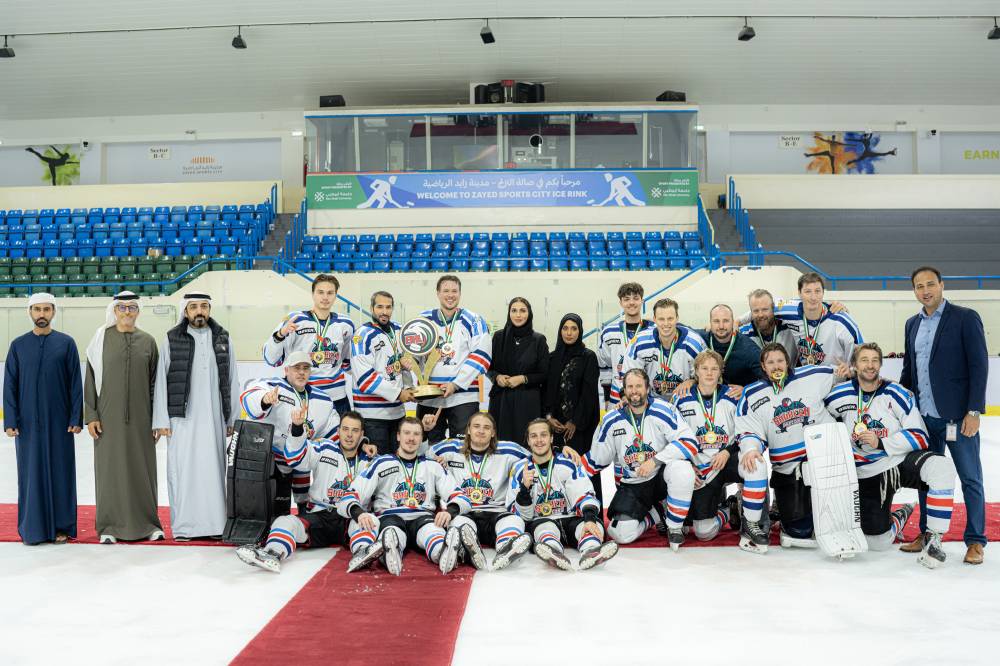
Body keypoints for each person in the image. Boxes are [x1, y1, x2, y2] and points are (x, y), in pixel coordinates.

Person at [825, 343, 956, 568]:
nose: (870, 365)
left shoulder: (897, 393)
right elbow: (823, 421)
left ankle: (934, 539)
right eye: (864, 360)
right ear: (854, 365)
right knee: (878, 543)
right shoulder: (838, 395)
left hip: (898, 461)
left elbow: (919, 435)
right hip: (867, 472)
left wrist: (882, 443)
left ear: (881, 364)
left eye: (875, 360)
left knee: (941, 468)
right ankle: (900, 517)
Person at [899, 266, 988, 565]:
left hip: (957, 418)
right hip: (925, 419)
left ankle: (975, 541)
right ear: (913, 291)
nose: (925, 290)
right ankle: (927, 533)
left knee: (970, 478)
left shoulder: (965, 318)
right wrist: (900, 406)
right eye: (919, 286)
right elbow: (909, 371)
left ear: (941, 285)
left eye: (930, 284)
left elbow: (979, 367)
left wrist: (974, 411)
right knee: (927, 479)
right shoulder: (912, 324)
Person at [236, 410, 375, 573]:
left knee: (368, 522)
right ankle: (272, 554)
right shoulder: (324, 448)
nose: (349, 435)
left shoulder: (370, 460)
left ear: (362, 434)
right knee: (285, 521)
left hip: (350, 517)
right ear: (338, 431)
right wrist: (297, 428)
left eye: (355, 430)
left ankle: (363, 552)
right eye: (345, 429)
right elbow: (296, 457)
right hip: (320, 516)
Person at [152, 293, 241, 540]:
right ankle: (185, 527)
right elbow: (161, 378)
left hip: (214, 418)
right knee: (183, 471)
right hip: (182, 420)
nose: (199, 311)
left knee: (213, 471)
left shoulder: (223, 337)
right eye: (193, 307)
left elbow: (232, 378)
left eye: (203, 306)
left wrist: (232, 418)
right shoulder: (171, 338)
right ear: (186, 310)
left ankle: (215, 526)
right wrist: (161, 419)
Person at [339, 417, 472, 576]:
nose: (411, 438)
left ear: (422, 438)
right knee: (391, 530)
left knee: (433, 530)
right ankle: (388, 551)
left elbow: (461, 496)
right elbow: (350, 494)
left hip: (423, 517)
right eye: (407, 433)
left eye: (416, 434)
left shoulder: (433, 465)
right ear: (398, 436)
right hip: (390, 516)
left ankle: (442, 553)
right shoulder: (381, 463)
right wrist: (359, 513)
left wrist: (449, 511)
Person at [583, 368, 698, 551]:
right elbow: (596, 459)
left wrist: (655, 461)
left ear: (647, 388)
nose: (634, 391)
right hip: (633, 484)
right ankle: (657, 513)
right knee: (619, 534)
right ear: (624, 390)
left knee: (682, 470)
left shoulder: (663, 409)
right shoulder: (612, 419)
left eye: (638, 386)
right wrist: (567, 467)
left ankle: (674, 527)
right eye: (630, 386)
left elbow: (689, 442)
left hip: (661, 478)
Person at [735, 342, 837, 547]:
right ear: (763, 366)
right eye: (770, 362)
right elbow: (749, 430)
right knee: (801, 532)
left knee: (835, 523)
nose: (776, 366)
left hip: (823, 463)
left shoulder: (812, 376)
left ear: (788, 362)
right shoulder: (752, 394)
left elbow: (846, 375)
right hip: (787, 471)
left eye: (780, 360)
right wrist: (751, 449)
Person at [4, 293, 83, 545]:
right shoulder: (18, 345)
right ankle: (33, 529)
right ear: (29, 312)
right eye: (37, 309)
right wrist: (10, 420)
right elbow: (10, 385)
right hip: (27, 423)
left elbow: (75, 384)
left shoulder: (66, 343)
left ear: (53, 312)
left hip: (60, 422)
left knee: (61, 472)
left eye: (46, 309)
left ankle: (61, 527)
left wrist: (75, 417)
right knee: (30, 474)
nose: (41, 314)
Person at [673, 350, 770, 554]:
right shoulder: (681, 399)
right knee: (703, 532)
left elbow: (745, 430)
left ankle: (753, 523)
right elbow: (673, 437)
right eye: (704, 368)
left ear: (720, 372)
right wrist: (687, 466)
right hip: (701, 466)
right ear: (696, 371)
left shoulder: (732, 396)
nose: (709, 373)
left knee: (757, 465)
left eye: (714, 369)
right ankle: (728, 508)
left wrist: (728, 451)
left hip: (728, 457)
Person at [84, 291, 162, 544]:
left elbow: (155, 386)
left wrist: (158, 419)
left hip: (143, 419)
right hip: (108, 418)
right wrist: (92, 415)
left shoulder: (148, 342)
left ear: (138, 311)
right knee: (109, 471)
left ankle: (149, 524)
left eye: (132, 308)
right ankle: (109, 526)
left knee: (144, 471)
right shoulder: (100, 339)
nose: (127, 313)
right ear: (114, 311)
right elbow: (90, 380)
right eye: (122, 308)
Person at [240, 351, 340, 516]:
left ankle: (303, 511)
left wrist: (359, 444)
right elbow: (249, 396)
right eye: (296, 368)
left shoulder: (323, 399)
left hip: (300, 456)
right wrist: (265, 399)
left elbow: (333, 429)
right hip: (272, 457)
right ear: (286, 370)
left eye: (306, 368)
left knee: (306, 464)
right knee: (275, 506)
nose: (301, 372)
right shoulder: (273, 386)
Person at [509, 419, 618, 571]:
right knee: (545, 529)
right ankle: (553, 552)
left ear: (551, 438)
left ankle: (591, 551)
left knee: (593, 524)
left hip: (570, 519)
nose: (539, 440)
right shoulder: (520, 468)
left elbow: (584, 494)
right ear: (528, 440)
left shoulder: (567, 462)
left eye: (543, 435)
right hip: (541, 521)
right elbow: (522, 516)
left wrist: (590, 519)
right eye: (533, 436)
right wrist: (524, 489)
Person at [431, 412, 533, 571]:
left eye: (487, 427)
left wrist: (561, 449)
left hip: (496, 512)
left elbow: (539, 455)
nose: (481, 431)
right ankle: (471, 550)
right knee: (458, 525)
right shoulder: (449, 448)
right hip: (464, 511)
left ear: (493, 433)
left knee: (515, 520)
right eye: (476, 426)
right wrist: (434, 462)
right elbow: (418, 455)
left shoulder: (509, 450)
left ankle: (505, 550)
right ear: (468, 430)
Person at [263, 274, 355, 416]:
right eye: (320, 292)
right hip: (306, 397)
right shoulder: (296, 320)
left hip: (337, 399)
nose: (325, 297)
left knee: (342, 438)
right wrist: (280, 334)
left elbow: (347, 363)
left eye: (330, 293)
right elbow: (270, 358)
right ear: (313, 294)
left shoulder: (346, 324)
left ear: (336, 295)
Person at [417, 275, 492, 444]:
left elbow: (482, 356)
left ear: (460, 293)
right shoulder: (423, 319)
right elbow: (413, 352)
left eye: (454, 291)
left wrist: (456, 383)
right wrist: (410, 362)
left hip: (463, 397)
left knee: (463, 447)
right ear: (437, 293)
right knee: (429, 447)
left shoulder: (474, 320)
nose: (450, 295)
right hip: (430, 397)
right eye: (445, 291)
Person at [544, 313, 602, 501]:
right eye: (565, 328)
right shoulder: (552, 358)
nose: (569, 333)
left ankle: (589, 514)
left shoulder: (588, 357)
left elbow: (589, 394)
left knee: (582, 469)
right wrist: (548, 417)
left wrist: (575, 422)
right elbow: (545, 390)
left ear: (580, 331)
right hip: (555, 426)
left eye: (574, 328)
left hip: (579, 427)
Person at [351, 291, 415, 454]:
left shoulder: (400, 331)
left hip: (398, 414)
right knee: (377, 468)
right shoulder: (362, 335)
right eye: (380, 307)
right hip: (373, 417)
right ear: (372, 308)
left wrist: (408, 385)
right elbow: (364, 379)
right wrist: (398, 393)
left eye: (388, 307)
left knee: (398, 465)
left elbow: (405, 363)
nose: (384, 311)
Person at [613, 298, 705, 404]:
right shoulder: (639, 342)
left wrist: (693, 381)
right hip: (650, 404)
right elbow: (628, 376)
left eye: (670, 318)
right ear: (654, 319)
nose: (666, 323)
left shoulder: (694, 343)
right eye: (661, 319)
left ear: (677, 318)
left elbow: (708, 376)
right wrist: (626, 400)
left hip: (685, 402)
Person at [487, 297, 549, 446]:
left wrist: (523, 378)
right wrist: (497, 377)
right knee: (500, 445)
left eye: (523, 310)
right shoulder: (498, 337)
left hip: (527, 401)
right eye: (514, 310)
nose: (518, 315)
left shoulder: (538, 340)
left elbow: (544, 373)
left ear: (529, 314)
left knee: (526, 444)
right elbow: (489, 367)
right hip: (501, 402)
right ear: (509, 313)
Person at [773, 273, 861, 374]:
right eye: (807, 291)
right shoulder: (788, 310)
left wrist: (851, 370)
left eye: (817, 291)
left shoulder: (842, 320)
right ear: (799, 293)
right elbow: (761, 306)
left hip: (836, 382)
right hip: (807, 379)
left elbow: (865, 354)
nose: (813, 297)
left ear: (823, 293)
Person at [597, 282, 655, 408]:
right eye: (626, 299)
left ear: (642, 301)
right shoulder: (609, 332)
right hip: (616, 399)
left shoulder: (653, 330)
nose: (631, 303)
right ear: (621, 303)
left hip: (647, 397)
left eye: (636, 298)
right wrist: (607, 398)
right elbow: (604, 367)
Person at [739, 289, 798, 364]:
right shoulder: (744, 334)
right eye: (756, 311)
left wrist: (739, 320)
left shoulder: (790, 327)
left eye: (765, 309)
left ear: (773, 309)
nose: (760, 315)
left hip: (789, 375)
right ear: (751, 312)